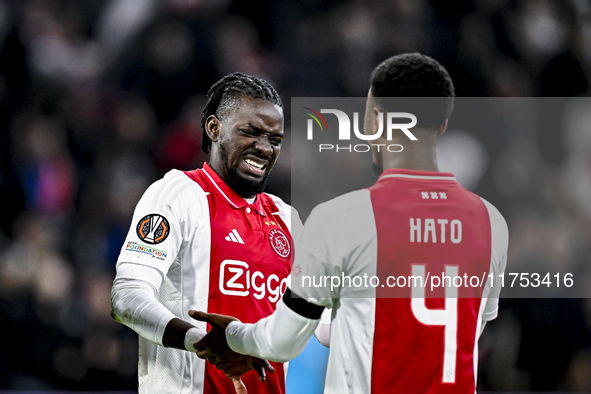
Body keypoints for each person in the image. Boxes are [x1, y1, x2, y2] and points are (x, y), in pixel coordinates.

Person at [191, 53, 509, 393]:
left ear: (375, 120)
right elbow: (470, 326)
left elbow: (282, 341)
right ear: (442, 125)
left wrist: (234, 336)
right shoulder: (491, 223)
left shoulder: (340, 219)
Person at [110, 72, 301, 394]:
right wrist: (201, 341)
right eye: (251, 132)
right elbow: (126, 296)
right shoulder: (178, 194)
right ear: (214, 128)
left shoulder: (287, 218)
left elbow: (317, 323)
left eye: (275, 139)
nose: (265, 148)